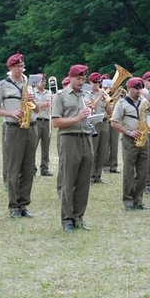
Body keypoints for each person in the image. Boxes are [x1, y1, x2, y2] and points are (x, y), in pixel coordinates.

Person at [0, 53, 40, 219]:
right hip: (14, 128)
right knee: (14, 168)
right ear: (10, 68)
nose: (21, 68)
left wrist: (35, 100)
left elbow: (38, 110)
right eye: (17, 66)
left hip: (31, 128)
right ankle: (13, 206)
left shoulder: (29, 84)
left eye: (22, 66)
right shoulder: (3, 85)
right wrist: (11, 112)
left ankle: (23, 204)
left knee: (28, 169)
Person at [52, 65, 94, 232]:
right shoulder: (61, 96)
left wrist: (91, 114)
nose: (81, 82)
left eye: (84, 79)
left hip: (86, 137)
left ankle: (79, 216)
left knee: (84, 181)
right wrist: (77, 117)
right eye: (79, 79)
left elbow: (89, 119)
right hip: (69, 139)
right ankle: (67, 219)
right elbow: (56, 122)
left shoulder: (86, 95)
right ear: (71, 78)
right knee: (68, 180)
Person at [110, 77, 150, 210]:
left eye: (140, 88)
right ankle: (128, 201)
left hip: (143, 138)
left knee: (143, 172)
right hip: (129, 140)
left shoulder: (144, 101)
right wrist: (128, 132)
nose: (138, 91)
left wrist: (149, 98)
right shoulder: (122, 103)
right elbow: (114, 122)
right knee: (129, 171)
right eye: (136, 88)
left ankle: (138, 200)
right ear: (129, 89)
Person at [87, 72, 112, 184]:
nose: (97, 84)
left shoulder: (104, 94)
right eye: (95, 82)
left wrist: (106, 101)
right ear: (90, 82)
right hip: (94, 123)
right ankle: (90, 176)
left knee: (103, 151)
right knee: (93, 150)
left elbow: (110, 113)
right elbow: (91, 107)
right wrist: (99, 96)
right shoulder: (87, 94)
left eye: (98, 82)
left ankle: (98, 175)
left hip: (104, 123)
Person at [34, 73, 54, 176]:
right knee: (33, 146)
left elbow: (53, 107)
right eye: (41, 81)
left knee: (46, 147)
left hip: (47, 121)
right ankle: (31, 168)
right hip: (36, 121)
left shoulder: (49, 93)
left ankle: (45, 168)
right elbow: (32, 105)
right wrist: (43, 105)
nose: (43, 83)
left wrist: (54, 101)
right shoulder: (32, 92)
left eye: (44, 81)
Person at [55, 76, 71, 198]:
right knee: (63, 162)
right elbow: (57, 121)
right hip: (65, 133)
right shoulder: (60, 96)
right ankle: (60, 188)